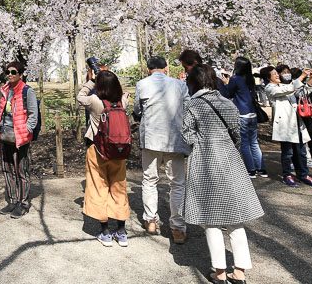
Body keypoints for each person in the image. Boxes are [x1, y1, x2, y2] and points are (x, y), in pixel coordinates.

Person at [183, 65, 263, 284]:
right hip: (229, 160)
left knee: (211, 220)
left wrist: (200, 142)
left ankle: (219, 273)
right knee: (236, 220)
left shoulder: (193, 105)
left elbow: (187, 135)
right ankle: (240, 272)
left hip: (205, 161)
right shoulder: (228, 103)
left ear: (194, 82)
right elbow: (237, 133)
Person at [133, 55, 189, 243]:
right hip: (175, 138)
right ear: (166, 68)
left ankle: (150, 220)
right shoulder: (180, 85)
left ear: (149, 69)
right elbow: (187, 107)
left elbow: (138, 110)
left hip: (151, 137)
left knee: (149, 180)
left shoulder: (142, 84)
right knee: (178, 183)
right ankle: (178, 227)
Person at [78, 69, 131, 247]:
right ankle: (122, 232)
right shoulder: (122, 101)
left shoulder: (94, 101)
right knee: (118, 187)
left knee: (98, 186)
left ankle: (105, 232)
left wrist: (91, 81)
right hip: (119, 151)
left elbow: (80, 96)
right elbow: (122, 93)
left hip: (97, 150)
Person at [262, 65, 312, 188]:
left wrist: (310, 79)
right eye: (274, 74)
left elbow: (302, 92)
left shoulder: (285, 86)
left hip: (296, 122)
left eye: (277, 73)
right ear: (268, 77)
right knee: (288, 152)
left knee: (301, 151)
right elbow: (289, 89)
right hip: (285, 125)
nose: (278, 75)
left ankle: (303, 174)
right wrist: (302, 76)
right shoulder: (270, 88)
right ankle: (287, 174)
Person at [0, 60, 39, 219]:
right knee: (7, 169)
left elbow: (34, 115)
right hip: (5, 135)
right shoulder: (4, 90)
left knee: (22, 171)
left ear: (20, 74)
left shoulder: (27, 91)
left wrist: (27, 130)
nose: (10, 75)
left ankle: (24, 203)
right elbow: (2, 113)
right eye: (8, 72)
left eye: (13, 72)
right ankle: (12, 200)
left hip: (20, 137)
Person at [220, 57, 266, 178]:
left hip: (242, 113)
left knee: (245, 143)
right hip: (252, 113)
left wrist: (225, 83)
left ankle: (251, 170)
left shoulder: (235, 79)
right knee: (254, 142)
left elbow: (227, 94)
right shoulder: (250, 79)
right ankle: (261, 168)